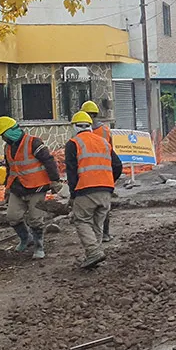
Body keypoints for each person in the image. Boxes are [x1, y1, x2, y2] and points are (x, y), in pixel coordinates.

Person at [0, 116, 61, 260]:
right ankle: (26, 238)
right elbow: (10, 169)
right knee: (13, 217)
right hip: (18, 188)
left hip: (36, 187)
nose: (3, 138)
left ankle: (39, 246)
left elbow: (48, 160)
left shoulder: (33, 143)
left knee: (36, 219)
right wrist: (7, 188)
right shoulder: (8, 147)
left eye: (4, 135)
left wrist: (55, 180)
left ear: (11, 131)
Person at [65, 111, 123, 268]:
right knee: (97, 224)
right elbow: (118, 165)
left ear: (74, 127)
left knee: (81, 220)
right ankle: (94, 256)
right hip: (105, 191)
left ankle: (93, 252)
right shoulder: (103, 142)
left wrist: (73, 194)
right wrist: (109, 181)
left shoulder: (73, 143)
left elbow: (71, 171)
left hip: (85, 189)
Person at [80, 100, 114, 242]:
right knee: (104, 205)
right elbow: (112, 151)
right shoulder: (105, 130)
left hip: (87, 172)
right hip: (105, 170)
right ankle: (104, 233)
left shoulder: (82, 130)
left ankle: (94, 237)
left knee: (86, 209)